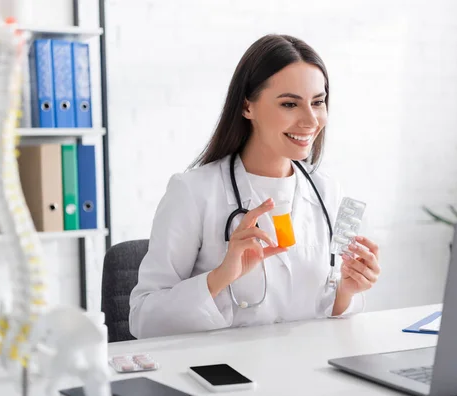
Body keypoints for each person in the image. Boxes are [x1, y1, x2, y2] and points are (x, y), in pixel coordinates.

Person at [128, 34, 381, 339]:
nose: (310, 119)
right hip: (227, 375)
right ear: (248, 106)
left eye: (318, 102)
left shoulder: (329, 195)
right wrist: (222, 276)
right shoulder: (193, 193)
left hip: (307, 373)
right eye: (290, 104)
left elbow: (324, 313)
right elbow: (144, 320)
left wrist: (347, 291)